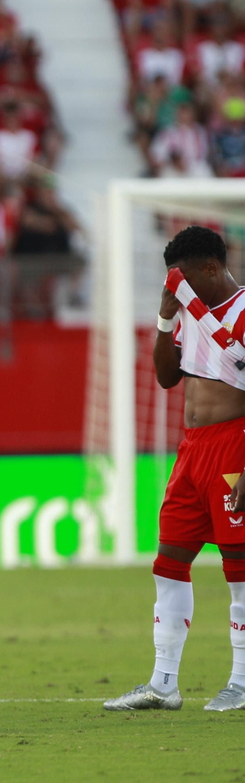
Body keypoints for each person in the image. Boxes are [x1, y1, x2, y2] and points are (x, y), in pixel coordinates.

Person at [105, 226, 245, 712]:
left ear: (211, 267)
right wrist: (166, 320)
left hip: (235, 447)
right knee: (169, 563)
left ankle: (242, 682)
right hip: (192, 451)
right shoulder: (189, 314)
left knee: (240, 570)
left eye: (183, 279)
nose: (177, 288)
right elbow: (167, 378)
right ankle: (163, 684)